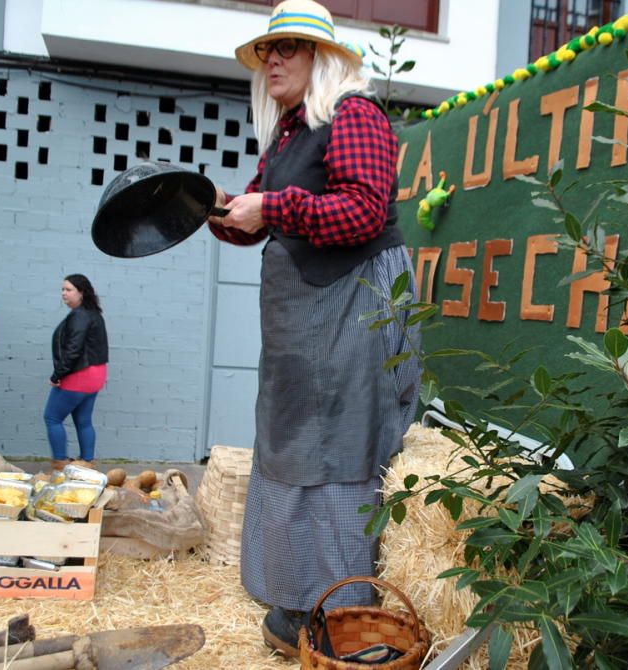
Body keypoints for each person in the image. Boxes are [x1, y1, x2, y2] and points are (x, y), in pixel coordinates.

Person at [208, 0, 421, 657]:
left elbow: (360, 210)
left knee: (338, 454)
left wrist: (271, 204)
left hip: (349, 309)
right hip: (304, 325)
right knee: (296, 447)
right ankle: (302, 601)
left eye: (289, 49)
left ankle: (344, 615)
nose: (273, 59)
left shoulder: (354, 114)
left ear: (322, 59)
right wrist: (217, 209)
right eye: (269, 50)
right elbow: (266, 217)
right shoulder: (290, 134)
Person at [44, 274, 108, 471]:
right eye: (62, 289)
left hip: (80, 374)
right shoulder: (93, 313)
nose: (64, 293)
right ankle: (87, 462)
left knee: (52, 417)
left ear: (81, 292)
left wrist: (57, 375)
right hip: (96, 374)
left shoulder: (80, 315)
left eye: (68, 289)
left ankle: (60, 464)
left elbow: (73, 349)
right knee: (83, 420)